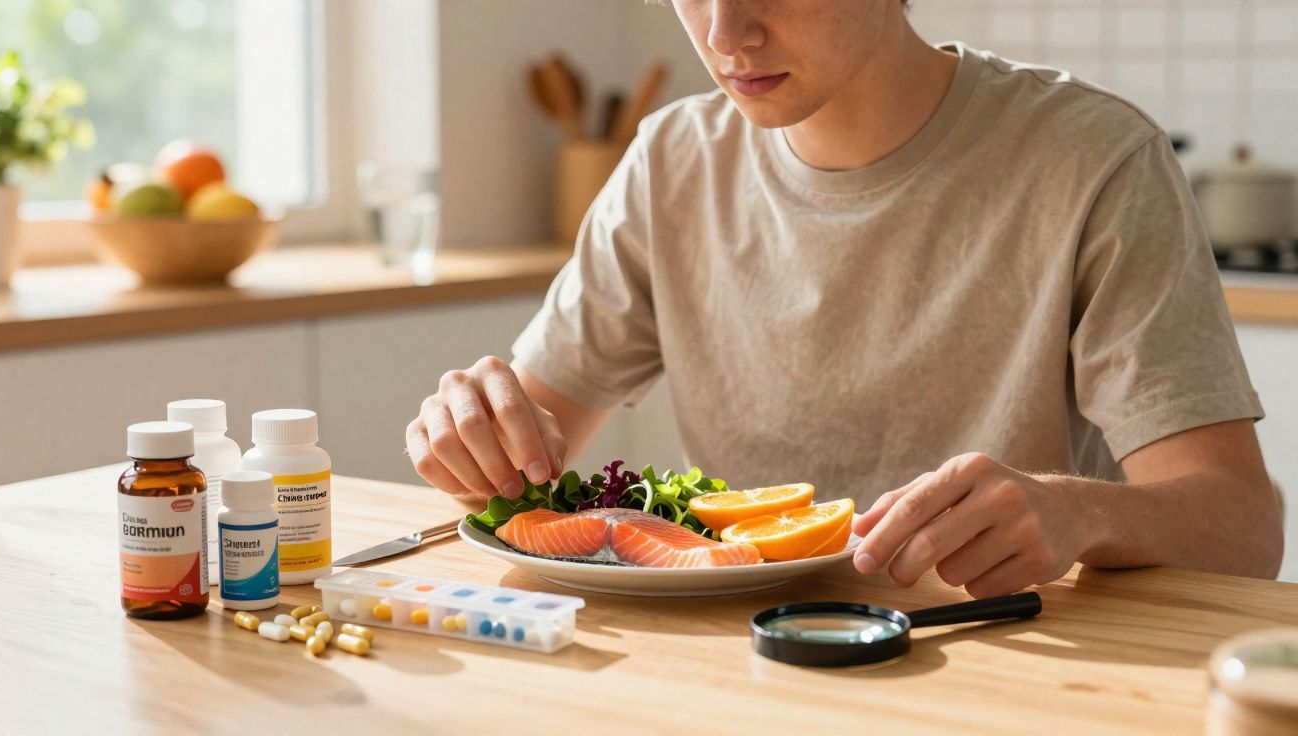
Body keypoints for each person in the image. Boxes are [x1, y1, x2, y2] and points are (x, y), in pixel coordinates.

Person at [406, 0, 1283, 597]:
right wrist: (475, 433)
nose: (726, 33)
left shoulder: (1093, 160)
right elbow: (523, 464)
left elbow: (1244, 528)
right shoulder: (671, 162)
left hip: (1009, 660)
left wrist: (1080, 511)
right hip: (747, 661)